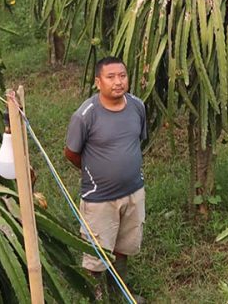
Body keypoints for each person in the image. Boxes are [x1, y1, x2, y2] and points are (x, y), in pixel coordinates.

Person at [64, 56, 147, 303]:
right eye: (110, 77)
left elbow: (138, 139)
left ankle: (119, 293)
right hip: (99, 198)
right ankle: (95, 296)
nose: (118, 82)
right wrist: (98, 172)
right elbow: (71, 153)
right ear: (98, 82)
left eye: (122, 75)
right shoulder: (85, 115)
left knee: (125, 245)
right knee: (96, 254)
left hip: (134, 191)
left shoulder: (137, 106)